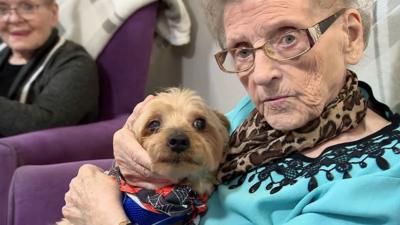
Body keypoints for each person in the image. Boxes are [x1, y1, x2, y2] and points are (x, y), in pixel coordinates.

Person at [61, 0, 400, 224]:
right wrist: (126, 144)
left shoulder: (382, 179)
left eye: (288, 38)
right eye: (241, 50)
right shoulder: (253, 115)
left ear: (351, 36)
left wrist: (103, 215)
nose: (261, 74)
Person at [0, 0, 99, 137]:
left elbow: (44, 124)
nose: (14, 19)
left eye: (27, 7)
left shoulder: (75, 63)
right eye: (2, 9)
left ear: (53, 14)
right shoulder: (3, 52)